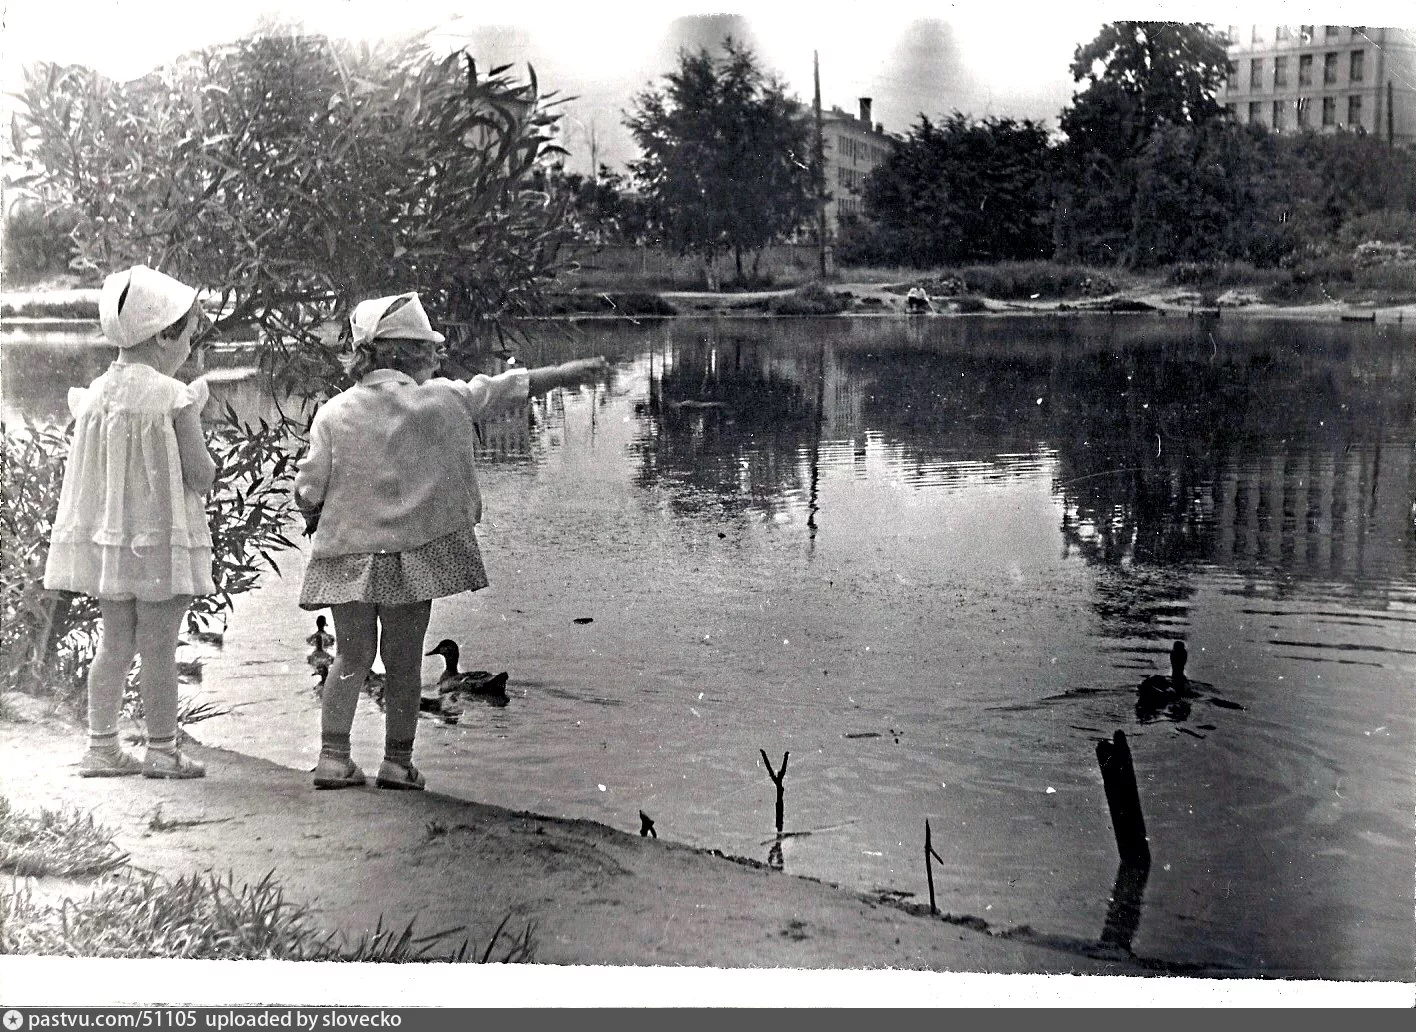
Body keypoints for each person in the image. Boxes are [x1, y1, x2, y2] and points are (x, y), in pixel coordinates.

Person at [294, 291, 607, 791]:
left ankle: (333, 758)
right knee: (402, 661)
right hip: (411, 560)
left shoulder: (334, 412)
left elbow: (309, 485)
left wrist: (313, 512)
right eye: (430, 349)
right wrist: (572, 372)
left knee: (351, 657)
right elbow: (506, 388)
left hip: (346, 556)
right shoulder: (443, 398)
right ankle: (397, 764)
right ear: (415, 355)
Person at [44, 265, 216, 779]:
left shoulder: (94, 395)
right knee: (160, 645)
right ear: (165, 335)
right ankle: (162, 750)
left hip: (112, 546)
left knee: (113, 643)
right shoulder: (173, 396)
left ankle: (102, 747)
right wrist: (198, 418)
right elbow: (201, 475)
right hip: (161, 544)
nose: (190, 347)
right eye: (188, 335)